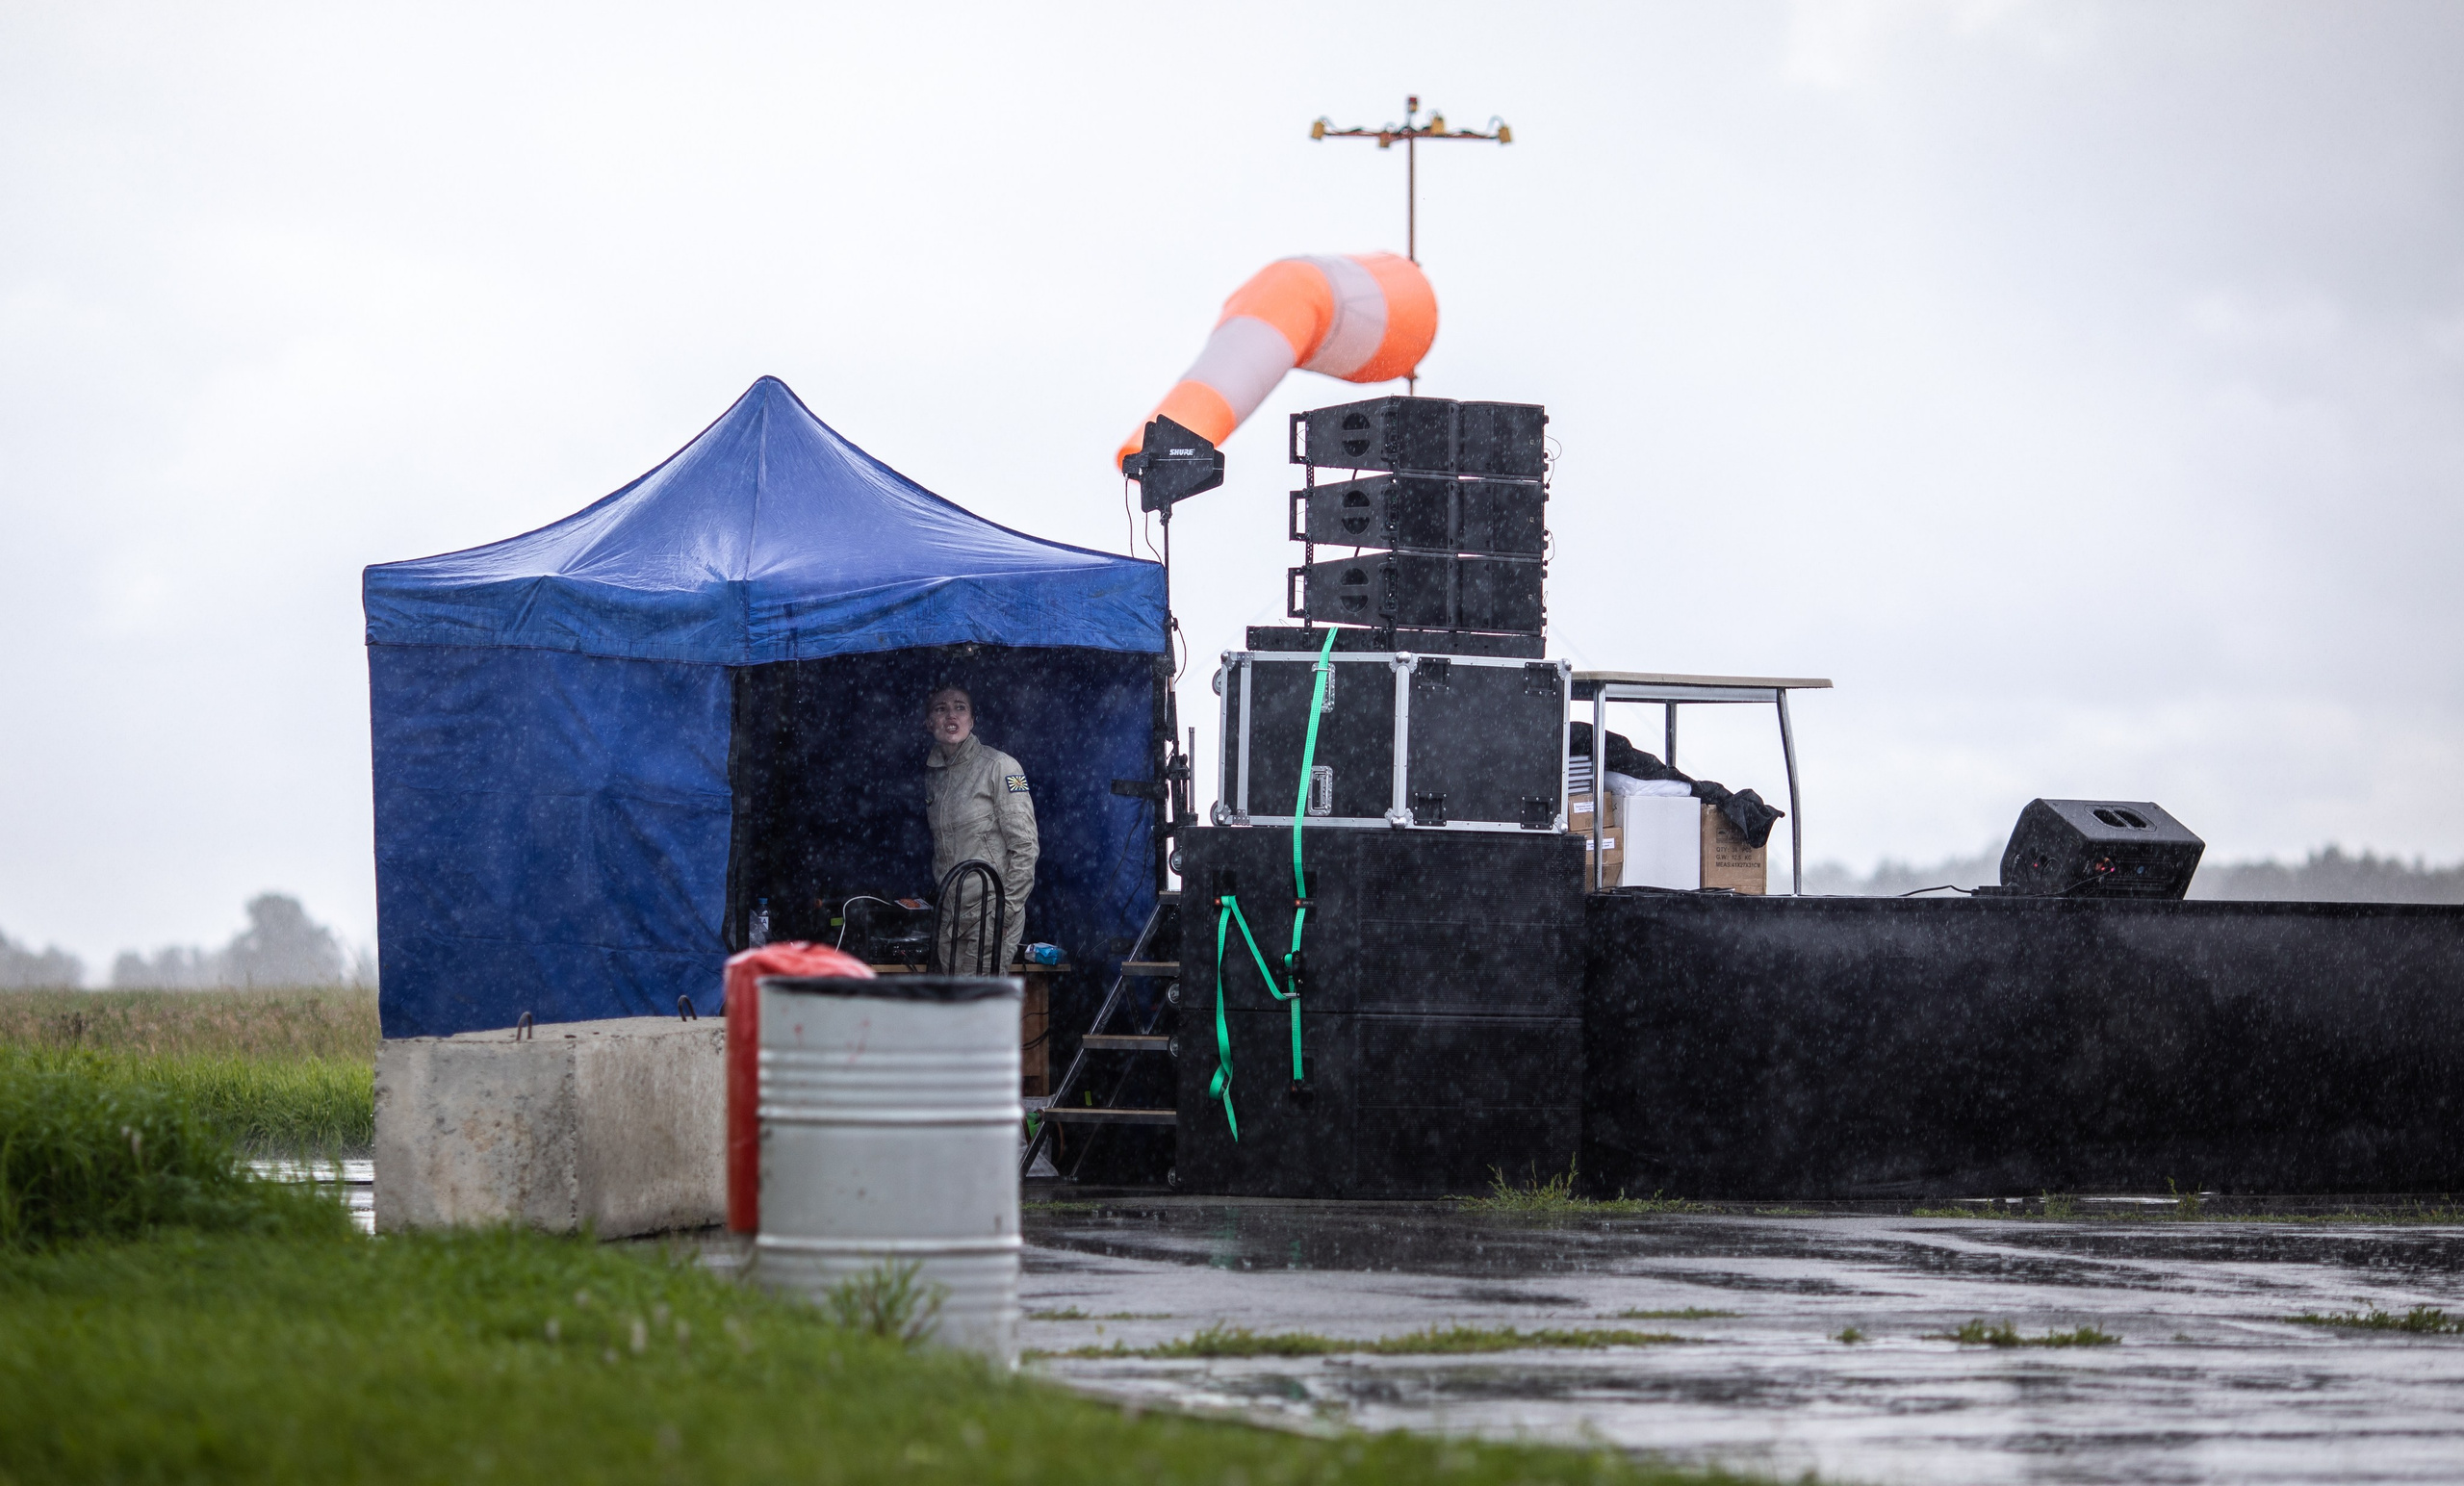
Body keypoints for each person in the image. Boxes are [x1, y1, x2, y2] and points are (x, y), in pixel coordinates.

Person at [923, 685, 1039, 973]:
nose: (951, 715)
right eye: (941, 708)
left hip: (990, 913)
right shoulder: (934, 775)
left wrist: (1004, 912)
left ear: (972, 721)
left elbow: (1025, 847)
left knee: (975, 1010)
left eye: (960, 707)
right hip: (951, 917)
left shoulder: (1000, 767)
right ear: (929, 723)